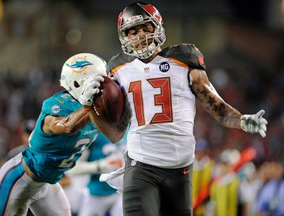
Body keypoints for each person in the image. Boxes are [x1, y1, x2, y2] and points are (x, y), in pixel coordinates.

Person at [104, 2, 268, 216]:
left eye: (146, 28)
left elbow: (217, 107)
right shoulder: (118, 68)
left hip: (180, 168)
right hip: (141, 164)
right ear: (124, 37)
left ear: (158, 27)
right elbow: (116, 125)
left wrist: (243, 120)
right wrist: (93, 103)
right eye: (133, 31)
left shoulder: (183, 58)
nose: (141, 35)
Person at [0, 53, 129, 215]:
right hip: (19, 178)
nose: (107, 84)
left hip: (48, 183)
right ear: (79, 81)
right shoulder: (59, 103)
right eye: (100, 80)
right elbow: (66, 127)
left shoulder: (95, 109)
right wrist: (88, 106)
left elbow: (115, 137)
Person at [65, 131, 127, 216]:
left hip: (123, 191)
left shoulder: (130, 127)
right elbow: (71, 169)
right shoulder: (92, 132)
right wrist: (99, 166)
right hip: (97, 192)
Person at [192, 139, 215, 216]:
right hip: (192, 202)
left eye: (201, 151)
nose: (198, 154)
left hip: (205, 202)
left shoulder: (210, 166)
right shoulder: (191, 165)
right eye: (197, 151)